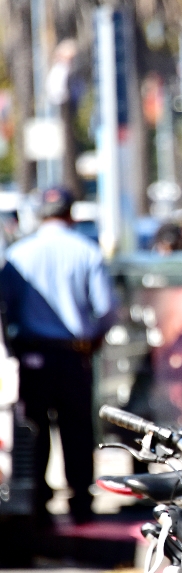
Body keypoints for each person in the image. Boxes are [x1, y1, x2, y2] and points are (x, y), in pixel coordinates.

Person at [0, 186, 115, 527]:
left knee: (33, 431)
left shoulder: (19, 254)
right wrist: (93, 339)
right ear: (71, 213)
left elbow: (4, 306)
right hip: (73, 356)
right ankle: (81, 504)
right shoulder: (86, 251)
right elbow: (107, 309)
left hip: (31, 356)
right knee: (77, 432)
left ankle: (36, 504)